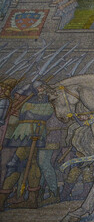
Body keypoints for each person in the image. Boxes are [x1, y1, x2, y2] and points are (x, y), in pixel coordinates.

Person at [0, 81, 54, 210]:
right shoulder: (27, 102)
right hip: (24, 132)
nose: (17, 97)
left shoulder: (42, 102)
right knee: (28, 164)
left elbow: (44, 112)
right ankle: (29, 199)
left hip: (33, 132)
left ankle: (5, 200)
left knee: (16, 164)